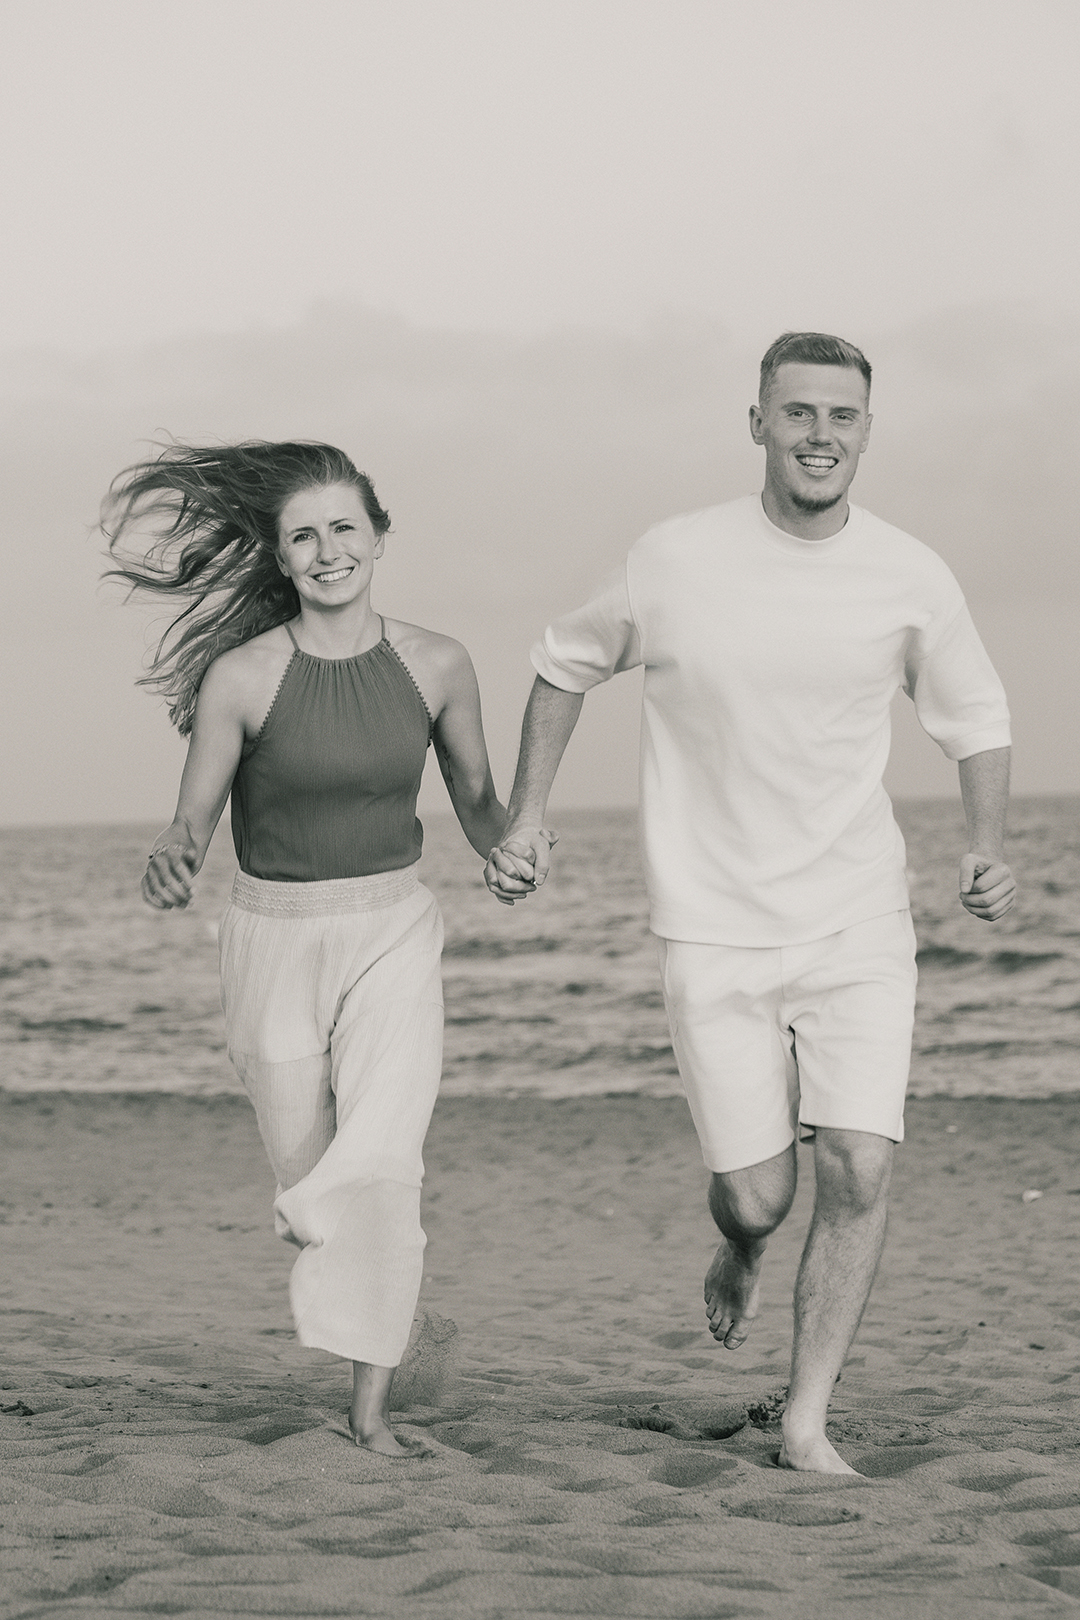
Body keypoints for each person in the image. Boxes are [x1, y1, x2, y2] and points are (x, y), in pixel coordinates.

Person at [486, 333, 1016, 1474]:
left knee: (862, 1166)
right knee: (759, 1196)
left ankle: (807, 1418)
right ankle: (737, 1251)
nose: (821, 435)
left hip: (856, 918)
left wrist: (983, 846)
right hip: (713, 927)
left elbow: (975, 716)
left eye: (842, 416)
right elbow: (561, 665)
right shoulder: (673, 560)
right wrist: (527, 816)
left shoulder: (911, 574)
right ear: (759, 424)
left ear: (867, 430)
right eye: (798, 413)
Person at [105, 441, 519, 1457]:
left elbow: (473, 797)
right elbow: (192, 820)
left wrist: (509, 848)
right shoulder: (242, 677)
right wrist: (172, 858)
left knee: (380, 1166)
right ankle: (395, 1318)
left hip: (391, 931)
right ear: (280, 556)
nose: (328, 550)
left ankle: (368, 1415)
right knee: (313, 1194)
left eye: (344, 528)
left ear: (379, 536)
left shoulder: (439, 663)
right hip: (271, 943)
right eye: (304, 535)